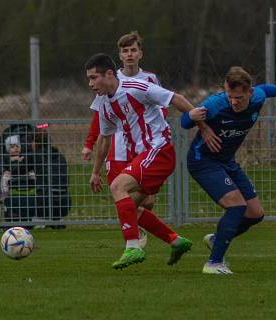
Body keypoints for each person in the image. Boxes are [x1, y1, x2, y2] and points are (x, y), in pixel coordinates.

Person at [181, 66, 276, 275]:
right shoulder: (215, 104)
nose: (234, 102)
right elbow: (184, 122)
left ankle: (217, 240)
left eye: (239, 97)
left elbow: (267, 89)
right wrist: (193, 118)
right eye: (230, 96)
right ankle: (214, 263)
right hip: (203, 162)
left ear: (249, 93)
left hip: (227, 162)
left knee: (255, 213)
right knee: (236, 206)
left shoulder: (257, 97)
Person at [85, 53, 206, 270]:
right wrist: (95, 171)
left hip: (159, 149)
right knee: (130, 207)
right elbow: (104, 138)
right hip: (143, 157)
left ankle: (133, 247)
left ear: (109, 74)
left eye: (94, 78)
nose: (91, 84)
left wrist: (203, 127)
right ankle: (176, 240)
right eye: (89, 79)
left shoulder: (136, 87)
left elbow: (174, 98)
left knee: (118, 187)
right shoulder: (103, 104)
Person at [82, 32, 163, 246]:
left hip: (146, 146)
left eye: (133, 50)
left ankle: (137, 229)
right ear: (119, 55)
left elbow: (160, 109)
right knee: (123, 194)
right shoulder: (109, 80)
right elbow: (100, 116)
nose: (129, 54)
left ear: (140, 54)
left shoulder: (150, 79)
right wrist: (90, 144)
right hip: (119, 148)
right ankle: (135, 237)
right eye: (125, 51)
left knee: (148, 199)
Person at [32, 124, 70, 229]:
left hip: (44, 203)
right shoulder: (60, 156)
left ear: (35, 143)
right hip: (65, 203)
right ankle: (55, 221)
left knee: (20, 201)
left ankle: (40, 222)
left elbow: (19, 170)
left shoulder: (35, 156)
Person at [0, 134, 37, 226]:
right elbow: (3, 165)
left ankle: (37, 188)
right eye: (12, 147)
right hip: (12, 175)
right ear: (8, 149)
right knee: (4, 178)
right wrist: (5, 170)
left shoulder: (24, 156)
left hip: (24, 174)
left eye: (17, 146)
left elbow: (28, 165)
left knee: (33, 174)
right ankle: (4, 194)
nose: (15, 149)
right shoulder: (6, 157)